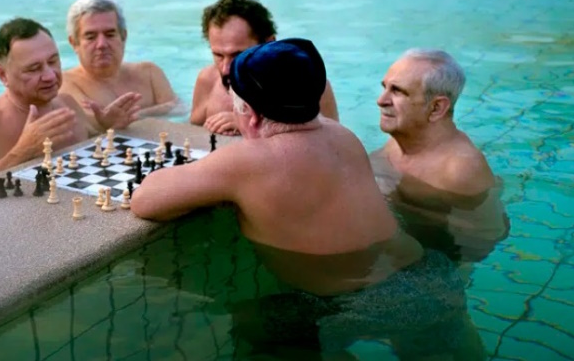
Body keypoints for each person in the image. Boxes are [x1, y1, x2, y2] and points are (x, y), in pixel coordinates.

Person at [131, 39, 471, 358]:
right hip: (432, 276)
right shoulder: (343, 136)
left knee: (248, 323)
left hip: (360, 303)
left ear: (249, 113)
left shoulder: (246, 163)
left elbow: (145, 199)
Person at [0, 18, 143, 183]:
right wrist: (22, 153)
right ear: (3, 75)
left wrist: (107, 125)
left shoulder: (67, 104)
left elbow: (96, 150)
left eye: (53, 61)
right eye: (34, 69)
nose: (50, 76)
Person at [369, 49, 509, 263]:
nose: (381, 100)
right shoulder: (400, 139)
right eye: (385, 87)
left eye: (397, 92)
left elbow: (486, 239)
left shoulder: (459, 169)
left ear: (436, 108)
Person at [190, 0, 338, 135]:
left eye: (237, 55)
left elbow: (331, 145)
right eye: (218, 55)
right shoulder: (208, 80)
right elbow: (190, 130)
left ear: (269, 43)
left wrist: (244, 123)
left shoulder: (309, 85)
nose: (226, 68)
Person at [61, 0, 180, 127]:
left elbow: (179, 109)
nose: (101, 44)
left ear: (123, 37)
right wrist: (153, 112)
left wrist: (135, 115)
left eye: (110, 34)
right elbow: (89, 126)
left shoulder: (149, 73)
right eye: (91, 37)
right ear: (74, 43)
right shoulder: (66, 84)